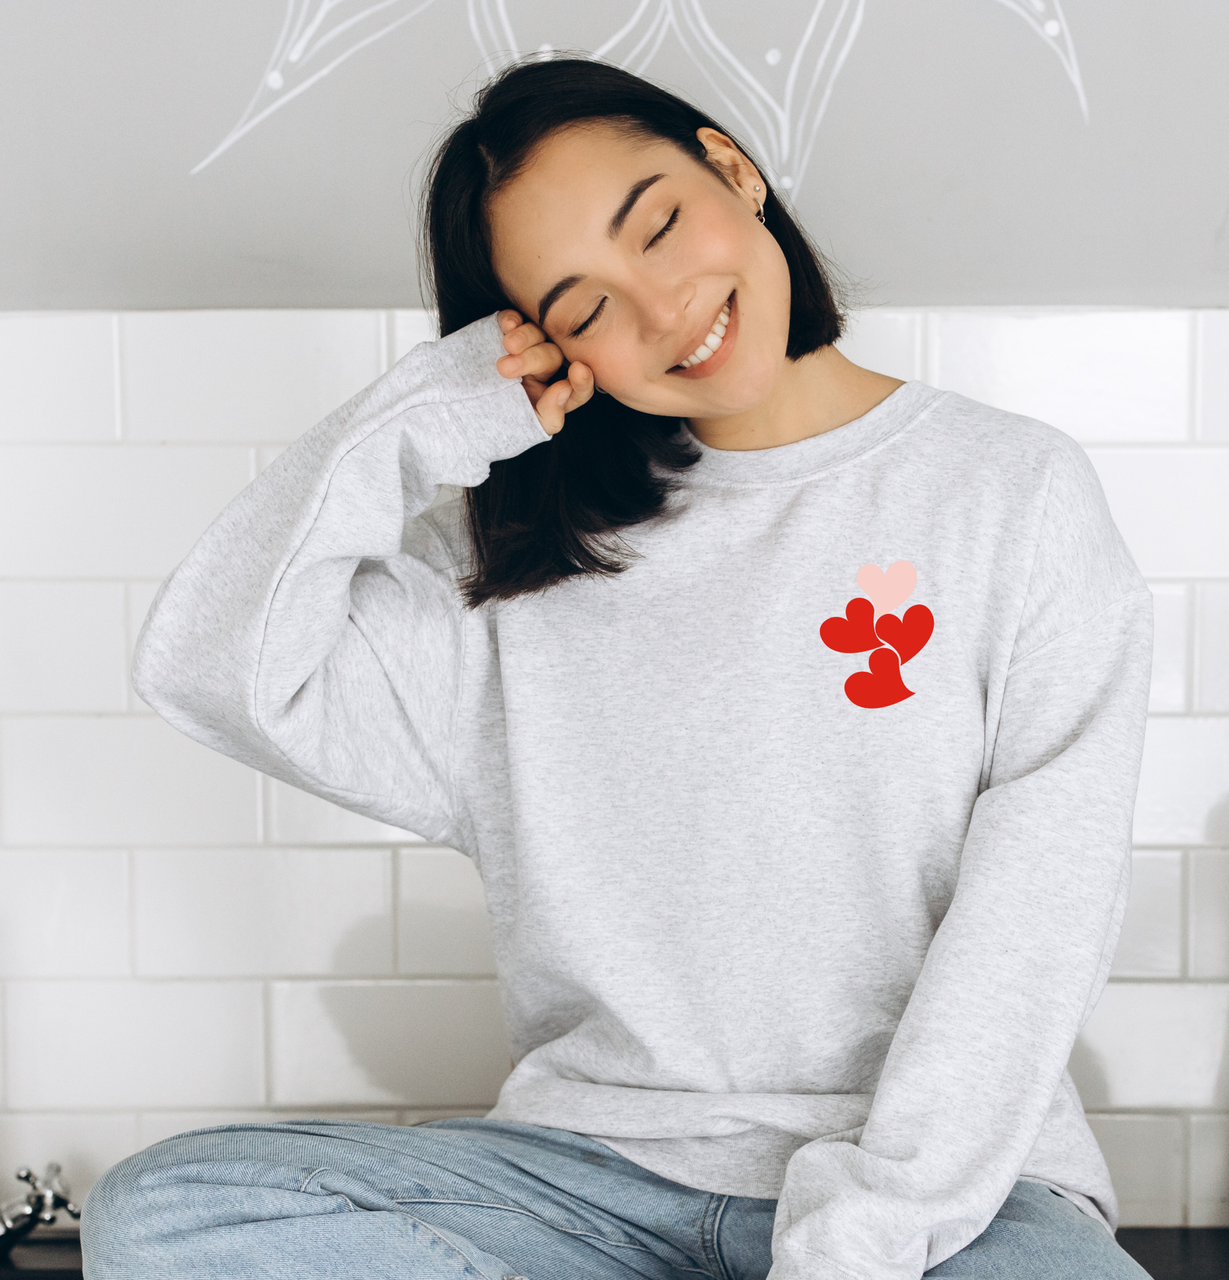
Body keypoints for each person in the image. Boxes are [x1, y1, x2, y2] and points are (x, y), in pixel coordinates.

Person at [79, 54, 1154, 1280]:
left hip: (943, 1196)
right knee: (163, 1213)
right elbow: (210, 666)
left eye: (657, 225)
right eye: (583, 307)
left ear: (731, 170)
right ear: (538, 343)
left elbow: (1037, 918)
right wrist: (417, 421)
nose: (660, 309)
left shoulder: (1010, 491)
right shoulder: (505, 572)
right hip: (585, 1185)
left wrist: (857, 1243)